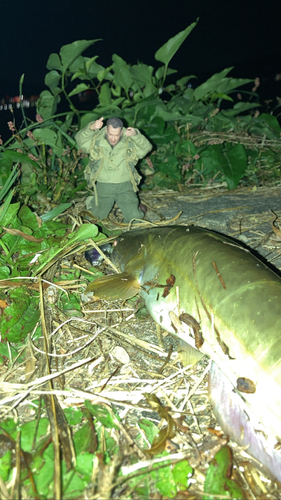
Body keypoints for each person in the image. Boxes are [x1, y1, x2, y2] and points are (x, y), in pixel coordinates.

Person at [75, 116, 152, 223]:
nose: (113, 138)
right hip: (103, 185)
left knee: (134, 217)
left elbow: (146, 148)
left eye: (116, 135)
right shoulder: (97, 141)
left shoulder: (129, 142)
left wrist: (136, 136)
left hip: (125, 185)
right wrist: (91, 128)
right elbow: (80, 141)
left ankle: (136, 210)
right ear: (106, 130)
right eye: (110, 134)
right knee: (95, 217)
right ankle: (91, 202)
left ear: (121, 133)